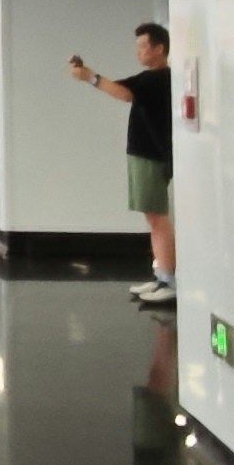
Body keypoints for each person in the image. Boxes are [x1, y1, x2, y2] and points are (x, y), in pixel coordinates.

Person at [69, 23, 180, 310]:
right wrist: (89, 75)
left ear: (159, 49)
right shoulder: (148, 79)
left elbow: (123, 92)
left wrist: (89, 77)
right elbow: (124, 89)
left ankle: (169, 280)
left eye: (144, 46)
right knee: (152, 217)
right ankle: (161, 276)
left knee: (157, 217)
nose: (139, 52)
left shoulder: (159, 79)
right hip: (143, 154)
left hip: (151, 156)